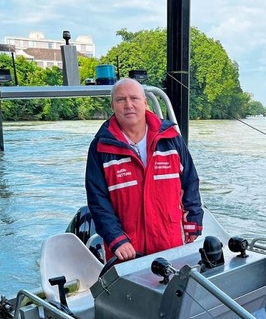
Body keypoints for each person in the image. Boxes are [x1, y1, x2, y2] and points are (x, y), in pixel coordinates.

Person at [85, 77, 203, 262]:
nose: (128, 105)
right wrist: (116, 239)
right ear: (113, 105)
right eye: (121, 99)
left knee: (173, 290)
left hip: (170, 240)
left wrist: (193, 221)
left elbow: (190, 182)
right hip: (127, 248)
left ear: (145, 102)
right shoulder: (100, 147)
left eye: (134, 98)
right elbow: (97, 200)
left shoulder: (171, 138)